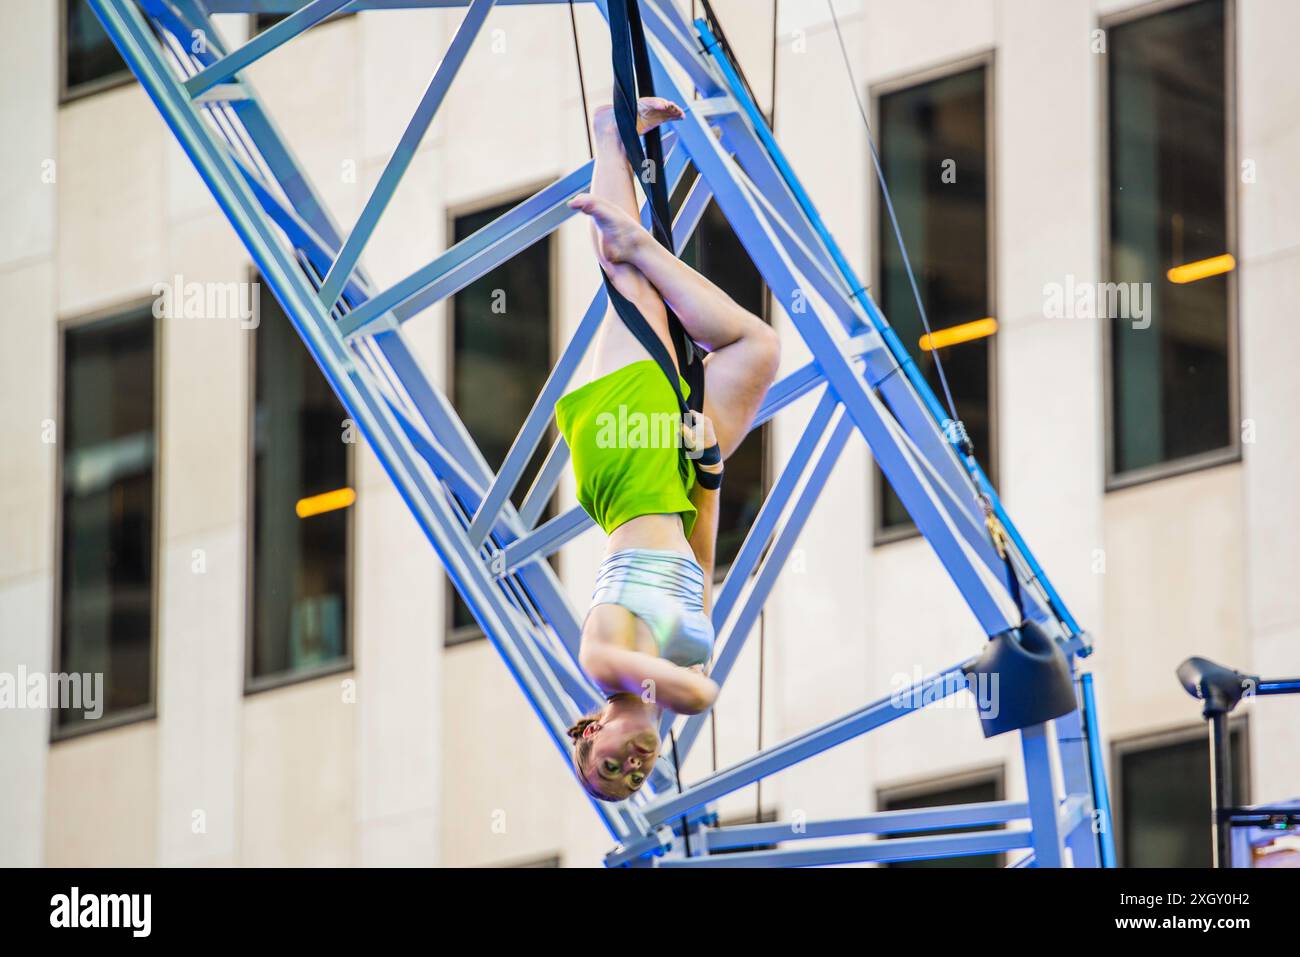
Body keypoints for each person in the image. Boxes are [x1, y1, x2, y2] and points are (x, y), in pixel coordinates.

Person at [557, 97, 780, 801]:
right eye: (637, 776)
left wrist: (694, 695)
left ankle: (607, 135)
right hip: (680, 476)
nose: (633, 763)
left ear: (593, 729)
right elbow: (700, 562)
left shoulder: (605, 662)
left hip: (626, 469)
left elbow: (690, 689)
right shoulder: (680, 662)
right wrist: (711, 473)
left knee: (634, 293)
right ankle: (634, 229)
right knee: (757, 350)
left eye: (610, 764)